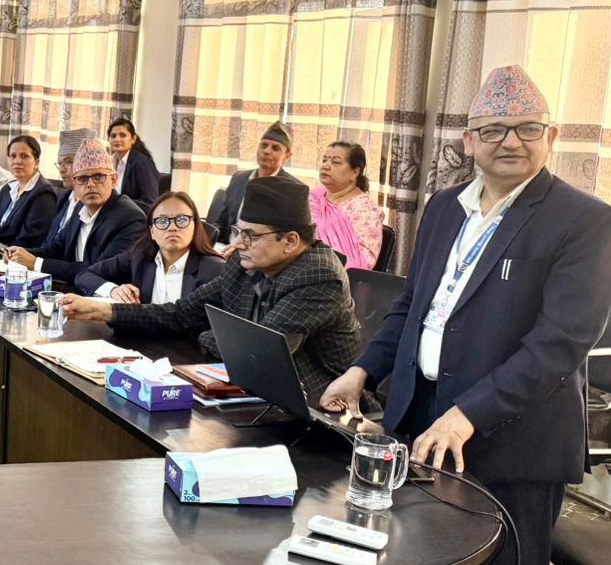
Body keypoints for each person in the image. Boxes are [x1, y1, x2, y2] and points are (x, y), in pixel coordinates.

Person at [320, 65, 611, 565]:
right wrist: (364, 369)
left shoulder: (588, 221)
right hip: (422, 415)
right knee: (426, 559)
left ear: (551, 136)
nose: (510, 141)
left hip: (513, 429)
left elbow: (560, 344)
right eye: (493, 129)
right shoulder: (442, 208)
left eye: (527, 128)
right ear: (468, 140)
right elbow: (413, 306)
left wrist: (471, 413)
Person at [64, 173, 361, 396]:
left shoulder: (319, 276)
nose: (238, 244)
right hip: (256, 394)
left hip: (322, 408)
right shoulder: (244, 263)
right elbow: (181, 313)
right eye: (238, 232)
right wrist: (104, 311)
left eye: (251, 236)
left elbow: (258, 353)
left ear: (291, 241)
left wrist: (207, 334)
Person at [4, 138, 146, 285]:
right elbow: (57, 249)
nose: (90, 184)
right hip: (72, 289)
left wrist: (36, 263)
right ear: (74, 184)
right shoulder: (80, 207)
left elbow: (99, 270)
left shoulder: (130, 218)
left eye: (98, 177)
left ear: (114, 180)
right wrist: (21, 253)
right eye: (82, 179)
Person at [74, 191, 225, 303]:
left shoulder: (214, 269)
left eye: (181, 220)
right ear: (152, 231)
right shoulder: (139, 257)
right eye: (162, 221)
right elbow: (85, 276)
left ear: (195, 226)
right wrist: (113, 290)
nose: (172, 227)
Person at [204, 121, 297, 246]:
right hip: (226, 248)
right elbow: (222, 222)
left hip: (261, 254)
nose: (267, 151)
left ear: (287, 156)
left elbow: (283, 240)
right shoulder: (239, 178)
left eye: (275, 148)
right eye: (264, 145)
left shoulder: (292, 189)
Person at [309, 141, 383, 270]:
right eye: (324, 160)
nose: (325, 166)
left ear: (355, 172)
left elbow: (362, 264)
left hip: (335, 277)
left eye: (336, 162)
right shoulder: (315, 197)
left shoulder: (364, 210)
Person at [0, 135, 58, 246]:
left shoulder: (44, 194)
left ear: (36, 162)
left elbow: (30, 240)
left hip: (15, 254)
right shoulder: (7, 189)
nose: (17, 161)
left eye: (24, 156)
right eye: (13, 156)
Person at [43, 130, 92, 244]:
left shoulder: (90, 204)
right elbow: (49, 242)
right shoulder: (64, 198)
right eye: (60, 163)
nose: (62, 170)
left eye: (69, 162)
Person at [108, 117, 161, 209]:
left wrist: (118, 203)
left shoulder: (143, 164)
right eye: (113, 136)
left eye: (122, 135)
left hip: (131, 215)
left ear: (133, 139)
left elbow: (150, 202)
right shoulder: (108, 162)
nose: (117, 139)